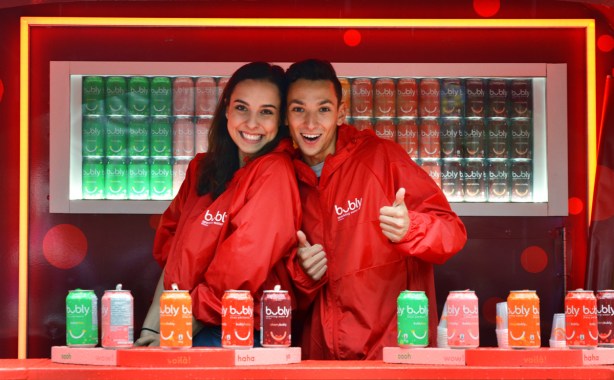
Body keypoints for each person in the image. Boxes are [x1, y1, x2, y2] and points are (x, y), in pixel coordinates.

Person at [284, 59, 467, 360]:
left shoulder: (383, 158)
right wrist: (303, 274)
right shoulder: (284, 178)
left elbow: (453, 233)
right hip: (320, 363)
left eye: (323, 109)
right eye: (299, 109)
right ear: (286, 117)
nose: (311, 123)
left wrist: (412, 228)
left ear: (341, 113)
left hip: (392, 359)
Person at [135, 62, 301, 347]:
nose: (252, 123)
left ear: (281, 121)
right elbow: (174, 259)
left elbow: (240, 271)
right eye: (241, 108)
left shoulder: (275, 172)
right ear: (226, 109)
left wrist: (174, 330)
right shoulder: (202, 169)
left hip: (238, 332)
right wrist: (151, 330)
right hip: (185, 325)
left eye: (266, 112)